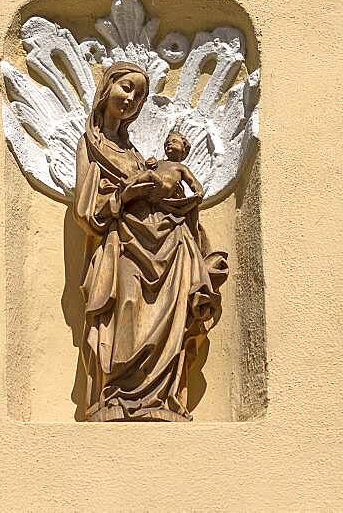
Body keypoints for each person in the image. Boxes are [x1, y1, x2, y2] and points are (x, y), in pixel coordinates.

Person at [73, 61, 228, 422]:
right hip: (124, 247)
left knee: (167, 310)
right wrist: (123, 197)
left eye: (139, 94)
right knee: (126, 309)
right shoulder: (91, 146)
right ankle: (115, 394)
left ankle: (160, 394)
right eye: (126, 88)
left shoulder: (135, 153)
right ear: (107, 88)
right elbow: (86, 210)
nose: (131, 98)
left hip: (164, 245)